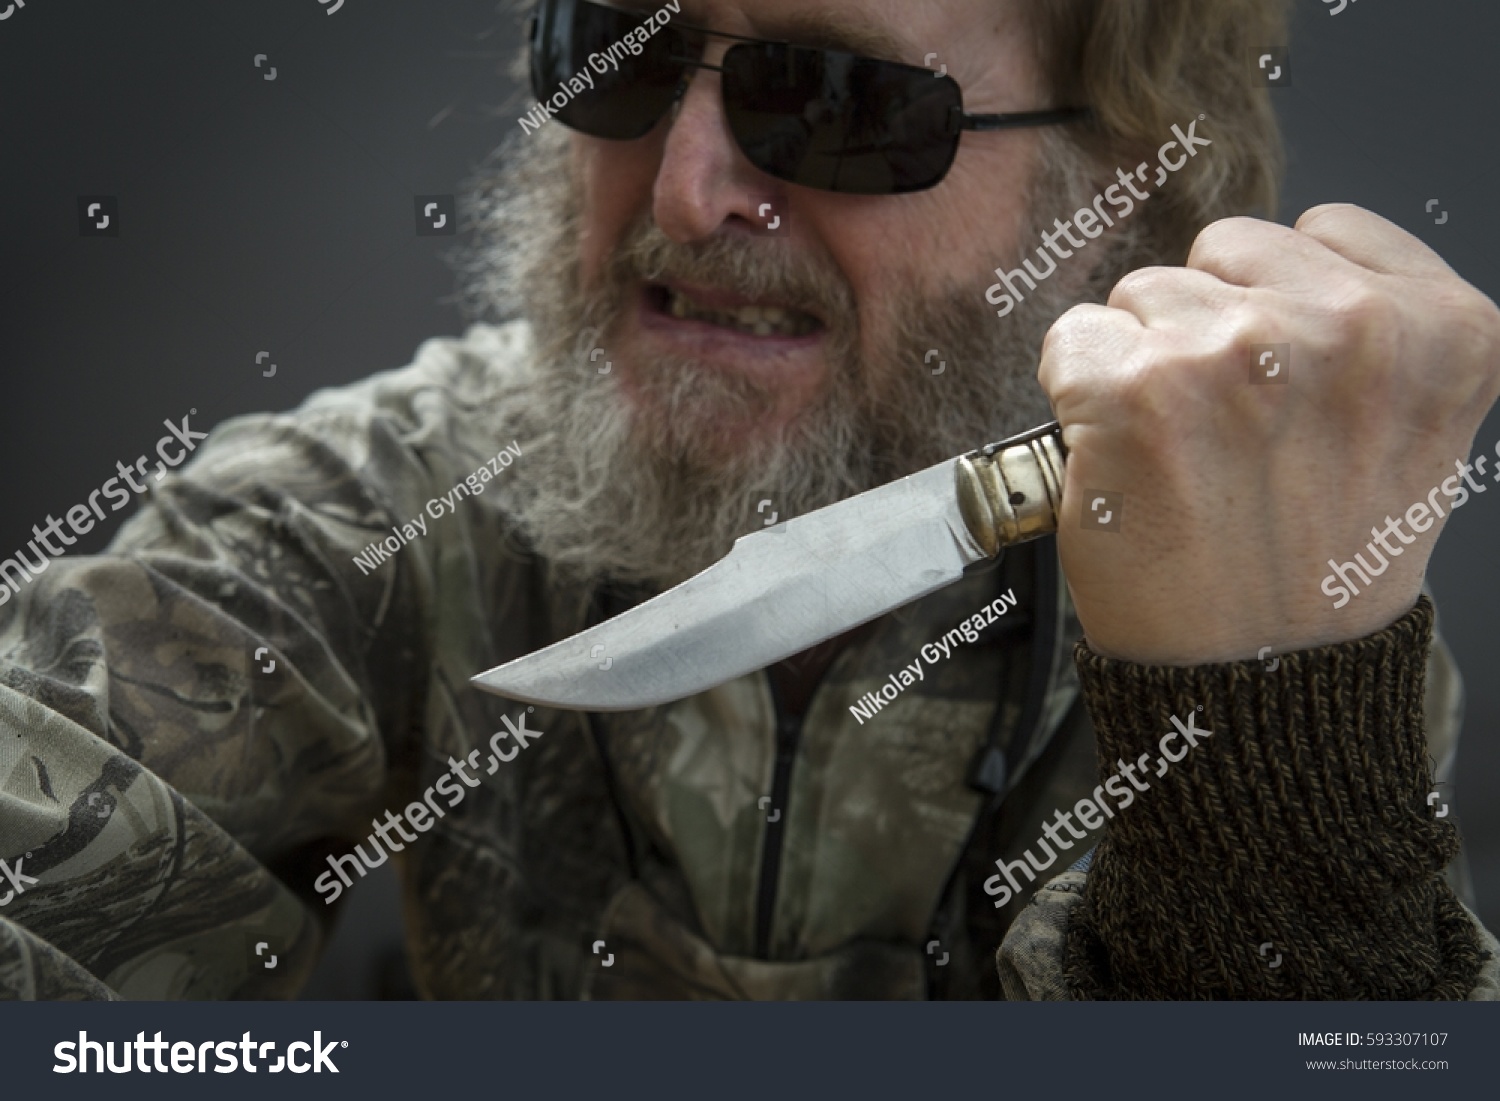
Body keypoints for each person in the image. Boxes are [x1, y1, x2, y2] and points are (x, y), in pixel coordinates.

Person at [1, 0, 1497, 1000]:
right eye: (621, 52)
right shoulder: (344, 524)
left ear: (1128, 187)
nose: (682, 191)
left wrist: (1269, 734)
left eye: (836, 101)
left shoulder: (1267, 591)